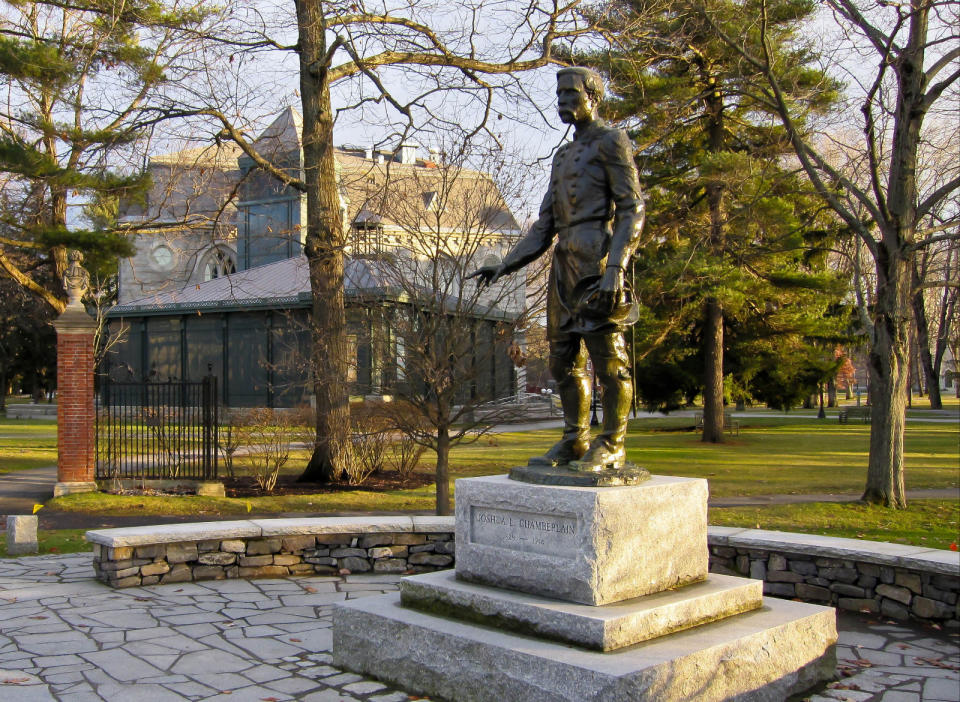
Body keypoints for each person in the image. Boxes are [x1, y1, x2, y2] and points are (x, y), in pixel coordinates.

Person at [469, 67, 645, 472]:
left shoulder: (611, 141)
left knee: (609, 361)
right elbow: (543, 226)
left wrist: (616, 267)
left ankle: (614, 443)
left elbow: (633, 208)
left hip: (598, 261)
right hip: (563, 267)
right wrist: (504, 264)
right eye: (559, 93)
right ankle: (574, 439)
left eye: (571, 93)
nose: (562, 100)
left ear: (592, 97)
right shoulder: (562, 156)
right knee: (562, 362)